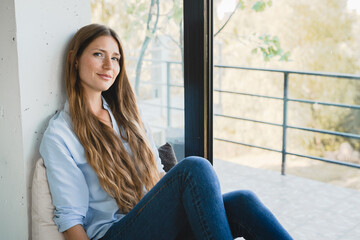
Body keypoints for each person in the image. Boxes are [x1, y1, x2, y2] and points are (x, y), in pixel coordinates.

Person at [40, 23, 293, 240]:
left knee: (243, 202)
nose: (109, 65)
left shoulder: (128, 117)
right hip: (115, 232)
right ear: (74, 59)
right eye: (98, 54)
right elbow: (70, 218)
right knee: (195, 167)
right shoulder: (61, 134)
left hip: (153, 223)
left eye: (115, 58)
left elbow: (157, 179)